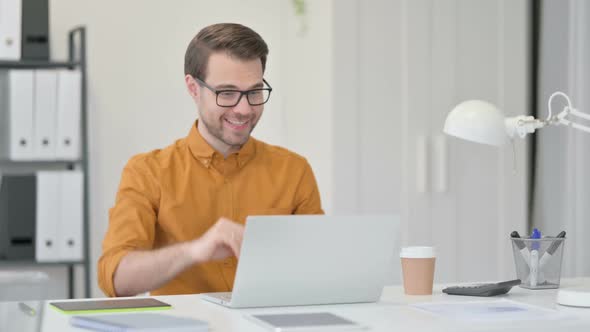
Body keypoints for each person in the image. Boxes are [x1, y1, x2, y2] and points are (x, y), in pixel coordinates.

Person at [98, 23, 324, 297]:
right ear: (193, 88)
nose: (244, 109)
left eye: (254, 92)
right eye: (227, 93)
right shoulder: (148, 172)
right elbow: (116, 278)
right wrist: (194, 251)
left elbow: (318, 268)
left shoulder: (294, 170)